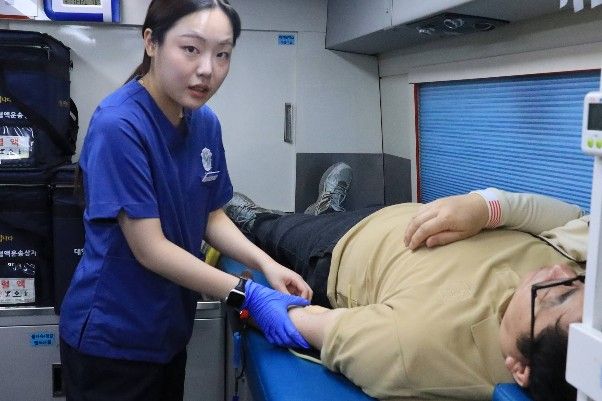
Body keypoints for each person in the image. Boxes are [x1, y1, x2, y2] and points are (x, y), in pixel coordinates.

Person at [58, 1, 313, 400]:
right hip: (113, 340)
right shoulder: (119, 125)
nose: (208, 69)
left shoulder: (204, 122)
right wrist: (249, 295)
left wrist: (267, 264)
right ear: (151, 42)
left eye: (222, 54)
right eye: (191, 49)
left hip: (167, 332)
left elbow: (211, 214)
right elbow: (151, 249)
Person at [224, 166, 588, 401]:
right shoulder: (584, 275)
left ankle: (256, 219)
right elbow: (575, 218)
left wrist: (245, 298)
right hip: (405, 213)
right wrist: (485, 208)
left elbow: (295, 319)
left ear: (520, 368)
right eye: (578, 281)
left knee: (274, 230)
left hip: (339, 248)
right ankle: (326, 208)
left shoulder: (420, 349)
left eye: (554, 298)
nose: (558, 271)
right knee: (309, 220)